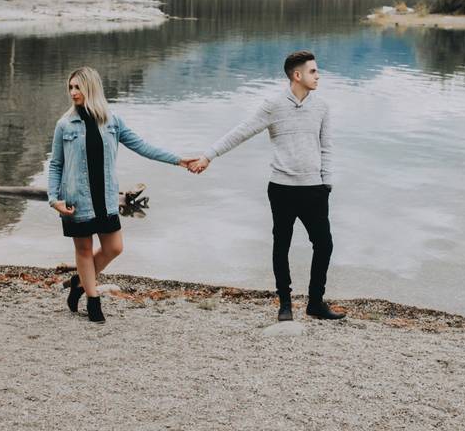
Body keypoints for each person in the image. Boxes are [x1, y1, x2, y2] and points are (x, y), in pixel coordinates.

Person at [190, 50, 343, 321]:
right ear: (297, 75)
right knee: (281, 244)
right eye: (313, 71)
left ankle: (315, 302)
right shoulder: (273, 105)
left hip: (314, 189)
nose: (318, 76)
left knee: (324, 244)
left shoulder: (322, 107)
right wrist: (208, 156)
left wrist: (326, 183)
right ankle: (285, 303)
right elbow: (241, 131)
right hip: (281, 188)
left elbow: (327, 147)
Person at [48, 66, 195, 323]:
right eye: (70, 87)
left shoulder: (112, 121)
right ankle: (94, 302)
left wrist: (178, 160)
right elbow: (56, 165)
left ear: (91, 88)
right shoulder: (64, 124)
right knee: (83, 250)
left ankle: (79, 282)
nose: (73, 92)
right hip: (75, 199)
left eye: (78, 87)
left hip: (105, 198)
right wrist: (54, 199)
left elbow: (142, 146)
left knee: (114, 247)